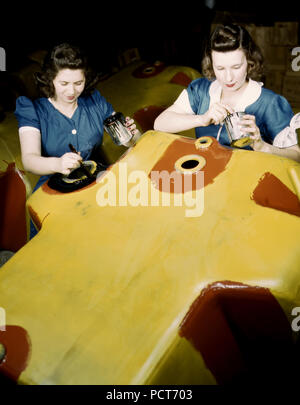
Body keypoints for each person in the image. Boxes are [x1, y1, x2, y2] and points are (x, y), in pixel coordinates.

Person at [14, 42, 139, 237]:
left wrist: (131, 135)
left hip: (93, 179)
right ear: (50, 79)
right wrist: (58, 163)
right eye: (63, 84)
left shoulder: (94, 101)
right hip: (54, 192)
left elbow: (127, 141)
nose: (71, 91)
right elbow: (30, 160)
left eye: (78, 83)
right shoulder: (33, 110)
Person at [154, 24, 300, 162]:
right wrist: (202, 119)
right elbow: (160, 124)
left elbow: (296, 157)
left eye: (236, 67)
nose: (228, 77)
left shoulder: (270, 103)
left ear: (250, 61)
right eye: (220, 68)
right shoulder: (200, 90)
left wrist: (261, 145)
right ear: (211, 63)